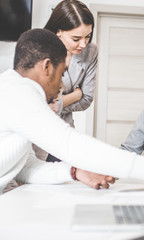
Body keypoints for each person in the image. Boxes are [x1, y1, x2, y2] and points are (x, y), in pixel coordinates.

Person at [0, 28, 144, 194]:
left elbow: (25, 168)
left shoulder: (14, 92)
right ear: (46, 67)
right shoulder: (18, 91)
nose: (61, 86)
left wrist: (75, 172)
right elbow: (68, 142)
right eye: (61, 75)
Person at [42, 0, 98, 162]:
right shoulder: (38, 47)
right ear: (59, 31)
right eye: (76, 38)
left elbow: (86, 99)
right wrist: (75, 95)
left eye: (87, 36)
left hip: (63, 131)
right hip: (37, 131)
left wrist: (55, 104)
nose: (83, 44)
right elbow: (36, 102)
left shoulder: (90, 52)